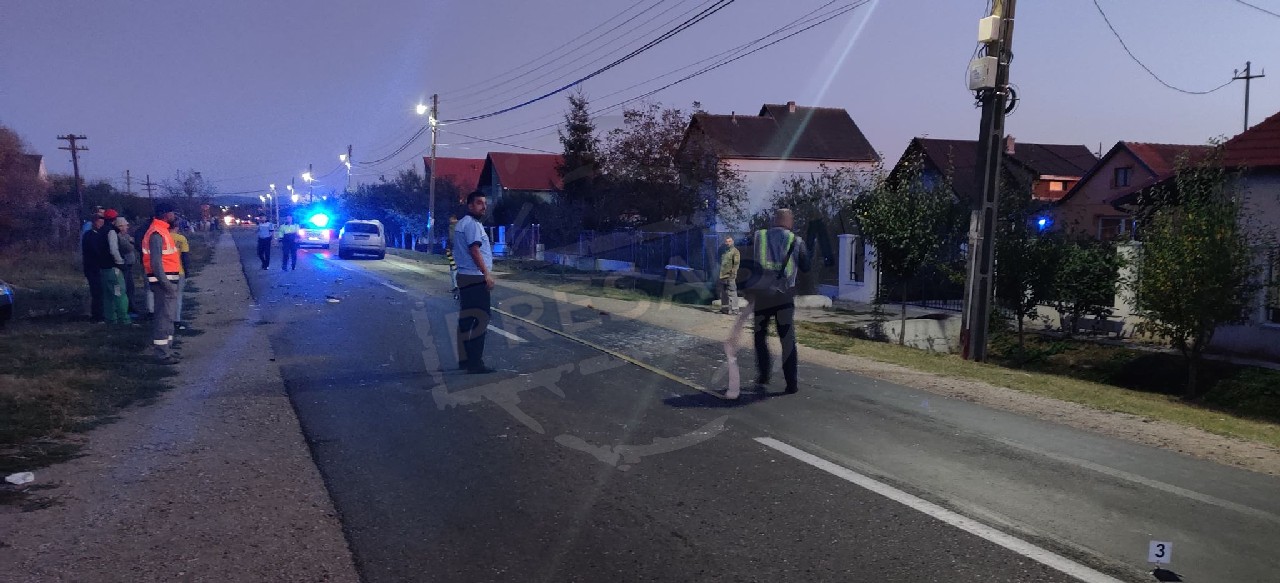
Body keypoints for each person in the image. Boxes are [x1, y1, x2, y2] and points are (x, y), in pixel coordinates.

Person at [746, 208, 810, 395]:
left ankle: (763, 375)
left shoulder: (759, 237)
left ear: (775, 220)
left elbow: (747, 262)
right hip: (784, 297)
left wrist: (748, 290)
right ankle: (791, 384)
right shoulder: (796, 241)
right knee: (787, 340)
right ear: (789, 221)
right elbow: (806, 266)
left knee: (760, 336)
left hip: (762, 295)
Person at [454, 191, 496, 374]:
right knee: (481, 318)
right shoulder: (472, 225)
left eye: (485, 203)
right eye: (479, 203)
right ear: (470, 205)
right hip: (475, 277)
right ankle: (475, 363)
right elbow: (475, 250)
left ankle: (464, 360)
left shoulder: (462, 223)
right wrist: (486, 274)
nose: (483, 207)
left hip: (465, 275)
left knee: (466, 319)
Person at [143, 203, 183, 364]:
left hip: (167, 281)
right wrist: (166, 284)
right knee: (163, 317)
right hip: (163, 283)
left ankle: (167, 349)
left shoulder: (162, 230)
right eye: (172, 213)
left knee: (168, 317)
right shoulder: (156, 233)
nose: (174, 216)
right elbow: (156, 263)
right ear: (165, 214)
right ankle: (161, 353)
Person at [101, 211, 131, 324]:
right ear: (114, 220)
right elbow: (114, 249)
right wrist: (120, 262)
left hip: (103, 268)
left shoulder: (101, 231)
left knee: (107, 295)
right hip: (114, 268)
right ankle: (124, 319)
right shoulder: (111, 232)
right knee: (119, 293)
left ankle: (110, 318)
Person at [110, 216, 140, 317]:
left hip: (129, 265)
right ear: (120, 227)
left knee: (130, 287)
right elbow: (128, 247)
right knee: (126, 287)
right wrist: (131, 242)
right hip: (124, 265)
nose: (127, 227)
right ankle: (126, 308)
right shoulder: (119, 237)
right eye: (125, 226)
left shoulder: (125, 236)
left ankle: (131, 306)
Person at [81, 213, 108, 322]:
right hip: (93, 267)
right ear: (95, 222)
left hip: (92, 266)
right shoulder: (91, 235)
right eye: (100, 220)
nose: (102, 223)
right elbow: (95, 251)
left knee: (97, 291)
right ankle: (97, 316)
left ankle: (98, 314)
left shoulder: (92, 235)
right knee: (97, 291)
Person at [171, 227, 191, 329]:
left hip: (164, 271)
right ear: (176, 227)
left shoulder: (162, 238)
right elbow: (185, 257)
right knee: (178, 296)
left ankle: (165, 319)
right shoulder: (181, 239)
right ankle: (176, 320)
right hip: (179, 271)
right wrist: (187, 272)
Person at [718, 235, 741, 315]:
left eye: (729, 241)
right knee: (724, 293)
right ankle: (725, 309)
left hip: (730, 275)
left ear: (733, 242)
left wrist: (733, 273)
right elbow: (720, 262)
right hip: (722, 275)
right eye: (726, 241)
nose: (728, 243)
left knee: (732, 292)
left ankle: (735, 309)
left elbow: (736, 264)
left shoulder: (735, 251)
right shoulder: (723, 251)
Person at [446, 215, 460, 300]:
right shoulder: (452, 226)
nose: (450, 220)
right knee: (453, 268)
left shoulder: (456, 227)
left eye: (451, 219)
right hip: (453, 250)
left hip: (456, 250)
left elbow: (453, 239)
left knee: (454, 269)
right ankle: (456, 286)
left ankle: (456, 287)